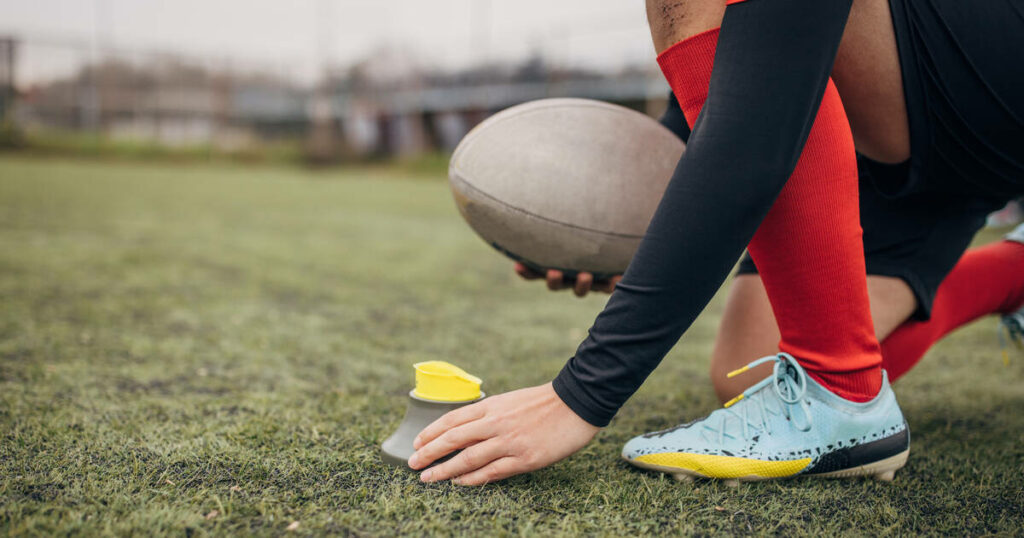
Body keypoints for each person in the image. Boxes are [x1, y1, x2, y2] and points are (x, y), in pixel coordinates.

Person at [407, 0, 1024, 485]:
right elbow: (751, 63)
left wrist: (582, 394)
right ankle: (1012, 272)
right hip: (920, 136)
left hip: (988, 69)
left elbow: (761, 103)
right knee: (747, 368)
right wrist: (628, 230)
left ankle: (843, 388)